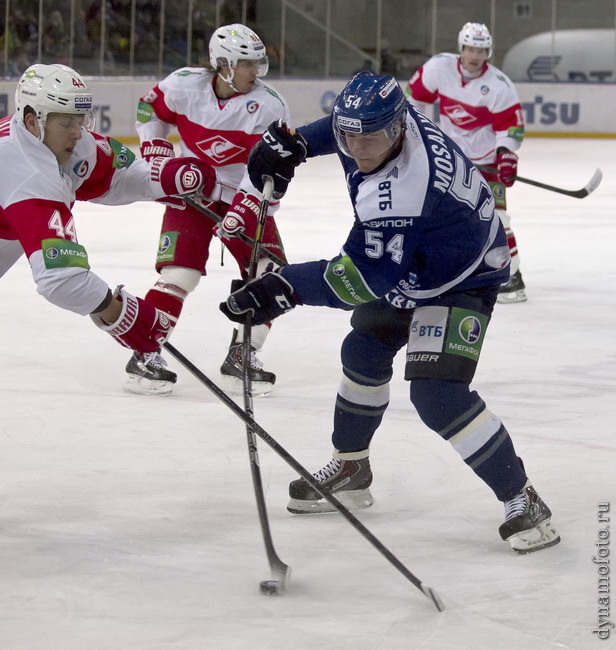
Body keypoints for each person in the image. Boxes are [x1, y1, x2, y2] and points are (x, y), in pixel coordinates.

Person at [220, 72, 560, 554]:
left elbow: (361, 279)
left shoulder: (402, 191)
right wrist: (294, 144)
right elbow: (346, 127)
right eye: (348, 136)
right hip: (419, 256)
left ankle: (523, 499)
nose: (358, 149)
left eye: (371, 137)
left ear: (398, 127)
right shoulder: (383, 119)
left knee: (437, 393)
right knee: (363, 349)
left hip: (461, 274)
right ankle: (352, 466)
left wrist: (283, 286)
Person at [0, 63, 216, 359]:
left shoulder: (58, 143)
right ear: (33, 121)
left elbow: (115, 175)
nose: (78, 134)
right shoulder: (28, 177)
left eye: (80, 120)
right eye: (66, 124)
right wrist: (120, 314)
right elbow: (61, 280)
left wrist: (166, 177)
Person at [127, 23, 290, 396]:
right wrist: (155, 145)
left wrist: (245, 209)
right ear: (224, 64)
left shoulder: (268, 105)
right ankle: (144, 352)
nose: (257, 71)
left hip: (240, 193)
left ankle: (242, 355)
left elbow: (270, 167)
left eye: (258, 63)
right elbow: (149, 107)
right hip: (191, 189)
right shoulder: (184, 85)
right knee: (178, 273)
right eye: (248, 63)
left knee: (271, 273)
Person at [407, 22, 527, 304]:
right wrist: (417, 135)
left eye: (481, 50)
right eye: (470, 48)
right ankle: (449, 272)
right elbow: (414, 101)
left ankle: (512, 277)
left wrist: (506, 154)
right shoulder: (439, 68)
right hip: (451, 161)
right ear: (461, 48)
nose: (475, 55)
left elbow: (511, 126)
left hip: (486, 163)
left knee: (497, 220)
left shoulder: (499, 86)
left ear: (489, 52)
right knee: (441, 216)